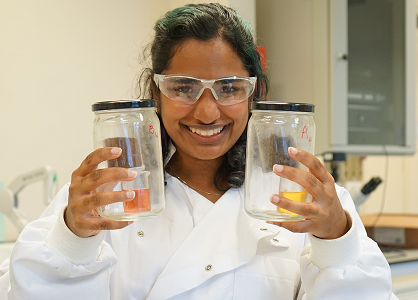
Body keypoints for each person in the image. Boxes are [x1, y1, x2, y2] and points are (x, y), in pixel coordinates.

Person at [0, 3, 397, 299]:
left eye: (228, 88)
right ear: (156, 92)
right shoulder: (105, 196)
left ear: (253, 93)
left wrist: (335, 239)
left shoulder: (305, 199)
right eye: (184, 87)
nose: (207, 112)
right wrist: (73, 235)